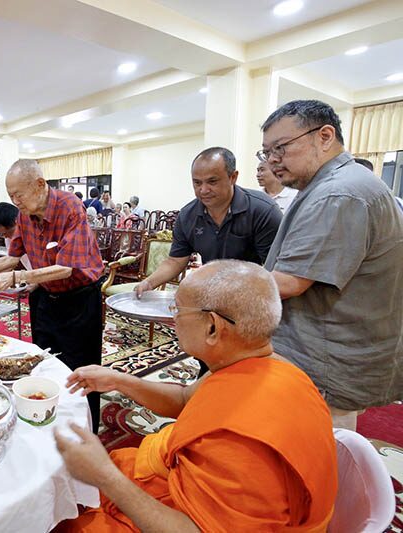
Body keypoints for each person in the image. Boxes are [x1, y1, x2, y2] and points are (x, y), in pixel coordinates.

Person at [55, 260, 338, 532]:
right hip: (180, 485)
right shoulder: (266, 364)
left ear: (213, 327)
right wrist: (119, 380)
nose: (173, 318)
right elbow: (184, 400)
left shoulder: (239, 443)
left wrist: (106, 477)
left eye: (177, 309)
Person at [260, 99, 403, 429]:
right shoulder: (335, 184)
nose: (272, 160)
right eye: (266, 152)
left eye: (281, 147)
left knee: (319, 449)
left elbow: (290, 282)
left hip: (327, 358)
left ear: (325, 136)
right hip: (334, 349)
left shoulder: (338, 193)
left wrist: (218, 285)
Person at [0, 160, 105, 428]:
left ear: (39, 185)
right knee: (43, 362)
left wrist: (18, 277)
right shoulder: (24, 215)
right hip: (46, 298)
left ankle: (87, 431)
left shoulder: (70, 207)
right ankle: (49, 424)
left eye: (19, 195)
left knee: (81, 370)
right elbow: (12, 257)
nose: (15, 202)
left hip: (79, 300)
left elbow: (65, 268)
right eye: (11, 196)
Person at [134, 147, 282, 298]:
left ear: (233, 177)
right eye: (197, 183)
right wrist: (149, 283)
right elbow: (175, 261)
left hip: (252, 294)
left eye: (212, 182)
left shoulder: (262, 210)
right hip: (212, 293)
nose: (203, 190)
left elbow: (275, 270)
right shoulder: (187, 216)